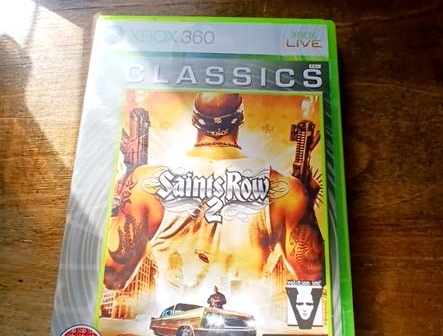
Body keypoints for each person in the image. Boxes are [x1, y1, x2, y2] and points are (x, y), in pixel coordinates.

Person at [103, 92, 324, 302]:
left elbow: (113, 277)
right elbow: (312, 277)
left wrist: (119, 199)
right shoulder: (285, 189)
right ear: (240, 119)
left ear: (194, 120)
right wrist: (306, 203)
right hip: (249, 319)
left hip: (172, 317)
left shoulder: (146, 182)